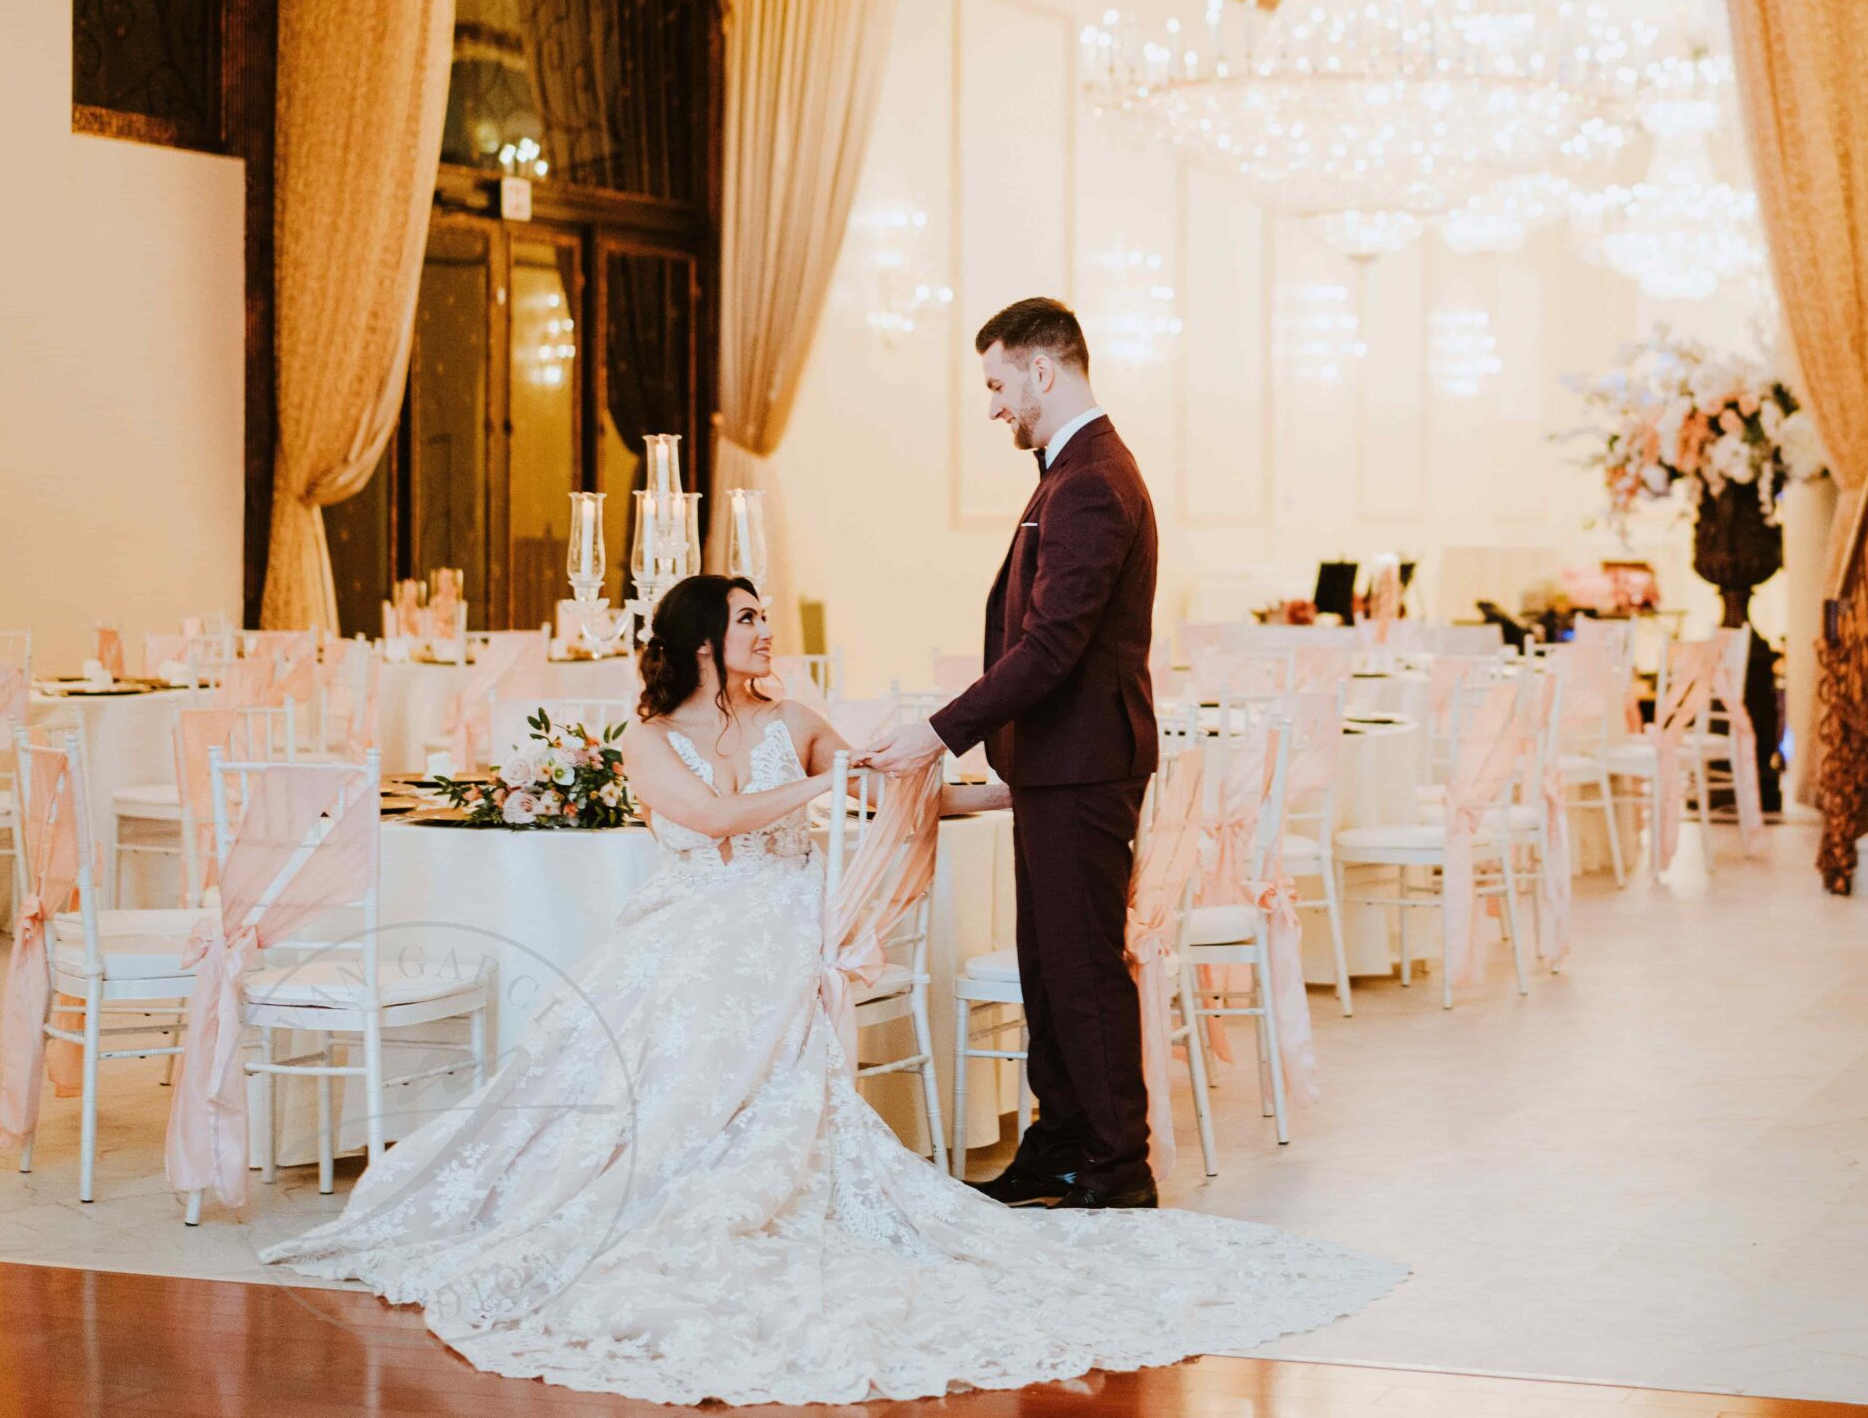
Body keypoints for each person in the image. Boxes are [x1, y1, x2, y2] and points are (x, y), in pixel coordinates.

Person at [261, 575, 1399, 1405]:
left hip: (788, 912)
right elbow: (705, 822)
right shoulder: (647, 732)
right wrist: (817, 799)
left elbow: (889, 801)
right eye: (749, 617)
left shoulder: (797, 721)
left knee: (764, 977)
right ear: (705, 639)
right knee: (678, 1002)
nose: (766, 630)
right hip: (699, 910)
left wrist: (1012, 802)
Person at [857, 298, 1163, 1209]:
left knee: (1082, 971)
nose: (994, 406)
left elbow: (1050, 646)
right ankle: (1061, 1145)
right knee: (1050, 966)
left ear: (1044, 370)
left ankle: (1115, 1171)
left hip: (1085, 763)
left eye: (997, 383)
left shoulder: (1093, 481)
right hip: (1058, 765)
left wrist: (936, 734)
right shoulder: (1067, 473)